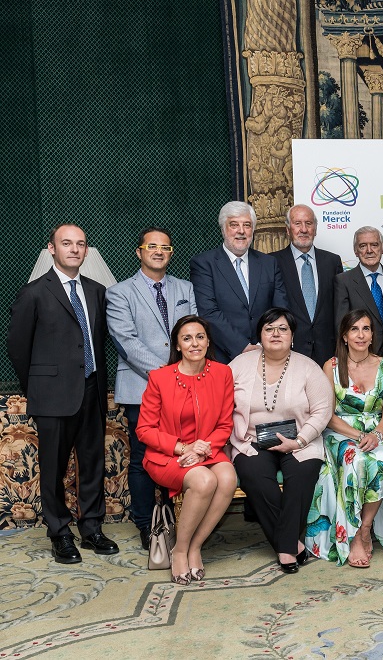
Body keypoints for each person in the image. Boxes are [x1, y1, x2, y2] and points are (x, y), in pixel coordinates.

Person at [6, 223, 119, 563]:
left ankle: (92, 529)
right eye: (66, 243)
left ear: (86, 250)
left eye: (80, 244)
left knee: (92, 463)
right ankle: (59, 534)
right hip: (52, 395)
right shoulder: (34, 293)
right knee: (53, 468)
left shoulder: (97, 291)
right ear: (52, 249)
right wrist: (39, 387)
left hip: (92, 389)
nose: (74, 249)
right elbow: (17, 348)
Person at [107, 226, 197, 550]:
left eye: (165, 247)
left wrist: (183, 375)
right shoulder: (119, 292)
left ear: (171, 253)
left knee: (181, 453)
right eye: (152, 246)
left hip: (185, 388)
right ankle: (147, 525)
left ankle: (179, 521)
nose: (159, 251)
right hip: (142, 387)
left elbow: (194, 333)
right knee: (142, 458)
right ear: (139, 252)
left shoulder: (186, 288)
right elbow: (127, 342)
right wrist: (168, 375)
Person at [228, 308, 334, 573]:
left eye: (283, 329)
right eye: (269, 329)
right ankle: (291, 545)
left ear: (292, 335)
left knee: (302, 474)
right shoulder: (238, 365)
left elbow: (323, 411)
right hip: (251, 439)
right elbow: (221, 404)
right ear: (259, 335)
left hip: (300, 439)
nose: (276, 334)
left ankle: (284, 546)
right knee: (255, 476)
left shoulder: (308, 367)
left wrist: (299, 441)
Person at [136, 316, 236, 584]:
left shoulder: (222, 373)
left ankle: (195, 547)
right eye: (187, 338)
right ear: (178, 345)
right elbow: (144, 430)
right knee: (204, 480)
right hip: (167, 455)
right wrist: (183, 448)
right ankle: (179, 550)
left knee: (227, 478)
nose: (195, 343)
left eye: (200, 337)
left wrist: (202, 450)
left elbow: (225, 424)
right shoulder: (159, 378)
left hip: (208, 449)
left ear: (208, 341)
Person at [304, 310, 383, 568]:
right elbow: (328, 415)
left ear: (372, 335)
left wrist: (377, 434)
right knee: (354, 459)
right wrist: (359, 435)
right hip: (341, 431)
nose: (361, 335)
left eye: (366, 329)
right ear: (345, 336)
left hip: (376, 431)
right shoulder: (331, 366)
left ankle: (364, 528)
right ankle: (354, 534)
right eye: (354, 329)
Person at [189, 201, 289, 363]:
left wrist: (265, 344)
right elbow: (208, 312)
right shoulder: (204, 263)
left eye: (247, 225)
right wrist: (243, 346)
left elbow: (279, 309)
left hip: (267, 354)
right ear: (223, 229)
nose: (241, 231)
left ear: (253, 230)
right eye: (234, 225)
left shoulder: (269, 263)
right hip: (223, 358)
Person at [270, 204, 344, 366]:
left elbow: (339, 307)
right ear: (288, 229)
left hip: (328, 352)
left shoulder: (332, 261)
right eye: (297, 223)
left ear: (315, 229)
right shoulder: (271, 262)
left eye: (308, 223)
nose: (303, 229)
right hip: (288, 351)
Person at [333, 226, 383, 357]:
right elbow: (342, 326)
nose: (369, 251)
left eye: (374, 245)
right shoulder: (343, 281)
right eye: (363, 246)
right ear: (355, 250)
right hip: (363, 356)